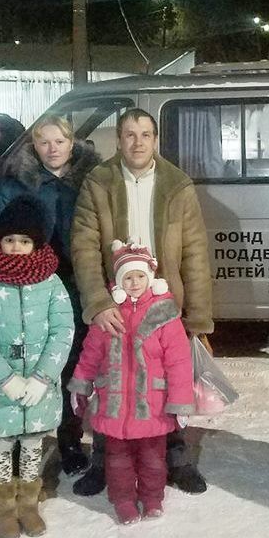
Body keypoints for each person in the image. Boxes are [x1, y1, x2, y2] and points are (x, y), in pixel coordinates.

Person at [71, 108, 214, 496]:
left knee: (166, 382)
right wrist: (99, 301)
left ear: (155, 140)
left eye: (145, 135)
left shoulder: (177, 185)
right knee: (111, 382)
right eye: (130, 135)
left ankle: (175, 460)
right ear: (118, 139)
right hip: (115, 304)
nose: (138, 142)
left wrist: (198, 318)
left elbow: (195, 252)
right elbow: (84, 246)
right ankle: (103, 461)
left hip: (164, 304)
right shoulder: (98, 182)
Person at [0, 114, 100, 476]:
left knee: (70, 365)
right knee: (24, 364)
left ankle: (70, 440)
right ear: (34, 144)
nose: (52, 149)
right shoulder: (16, 184)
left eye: (59, 141)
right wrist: (12, 273)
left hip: (77, 286)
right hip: (30, 290)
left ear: (72, 143)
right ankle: (19, 440)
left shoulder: (91, 180)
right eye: (44, 142)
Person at [0, 195, 73, 538]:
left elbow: (63, 331)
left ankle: (28, 503)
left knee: (31, 446)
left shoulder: (52, 284)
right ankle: (3, 507)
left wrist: (43, 378)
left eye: (24, 241)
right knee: (1, 446)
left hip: (39, 388)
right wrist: (5, 378)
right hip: (1, 389)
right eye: (9, 239)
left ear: (36, 244)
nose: (16, 247)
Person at [70, 240, 194, 524]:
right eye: (128, 277)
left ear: (150, 278)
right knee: (117, 460)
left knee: (153, 459)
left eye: (140, 276)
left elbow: (178, 361)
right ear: (118, 282)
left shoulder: (165, 314)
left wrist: (180, 402)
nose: (134, 283)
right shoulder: (108, 314)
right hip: (114, 405)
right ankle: (123, 500)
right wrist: (81, 384)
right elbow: (91, 353)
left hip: (152, 406)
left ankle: (152, 498)